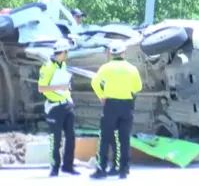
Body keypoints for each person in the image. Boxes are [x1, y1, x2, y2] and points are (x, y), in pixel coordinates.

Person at [90, 40, 142, 179]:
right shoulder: (132, 69)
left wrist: (102, 96)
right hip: (127, 106)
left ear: (111, 54)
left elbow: (94, 82)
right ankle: (122, 170)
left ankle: (101, 168)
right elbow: (138, 88)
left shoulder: (105, 68)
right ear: (123, 53)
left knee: (105, 137)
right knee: (124, 138)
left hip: (110, 105)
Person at [37, 39, 80, 177]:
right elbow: (41, 88)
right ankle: (54, 167)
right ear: (63, 52)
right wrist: (59, 87)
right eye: (66, 52)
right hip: (55, 107)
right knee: (55, 138)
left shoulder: (63, 65)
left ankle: (68, 166)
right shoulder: (47, 67)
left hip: (67, 104)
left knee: (71, 137)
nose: (67, 55)